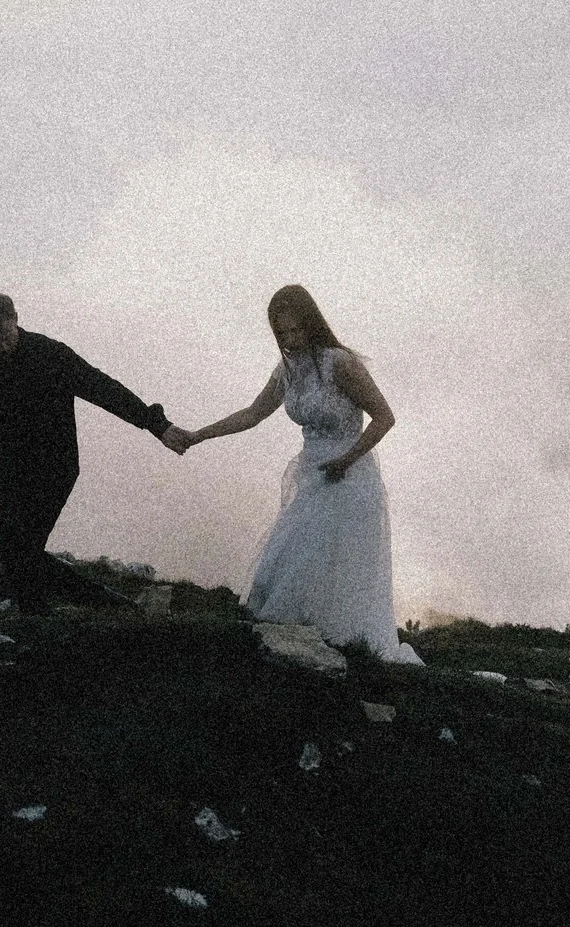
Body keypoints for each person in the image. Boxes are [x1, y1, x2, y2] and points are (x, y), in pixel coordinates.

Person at [166, 285, 421, 665]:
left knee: (330, 563)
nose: (290, 340)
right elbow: (252, 415)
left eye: (296, 331)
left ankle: (343, 650)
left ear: (312, 324)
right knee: (291, 559)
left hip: (350, 478)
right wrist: (199, 435)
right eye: (281, 333)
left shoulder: (340, 363)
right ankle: (302, 647)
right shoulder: (287, 371)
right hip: (314, 475)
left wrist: (347, 459)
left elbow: (385, 417)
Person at [0, 293, 187, 613]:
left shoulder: (50, 354)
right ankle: (37, 612)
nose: (0, 347)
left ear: (15, 319)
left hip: (56, 466)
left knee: (22, 550)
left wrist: (156, 424)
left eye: (4, 336)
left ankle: (103, 606)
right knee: (12, 551)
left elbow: (103, 389)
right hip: (12, 468)